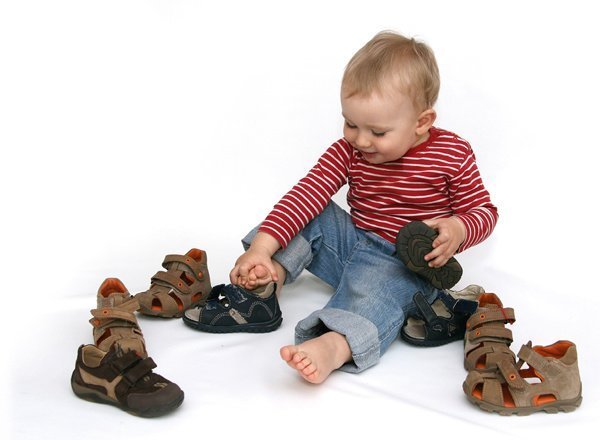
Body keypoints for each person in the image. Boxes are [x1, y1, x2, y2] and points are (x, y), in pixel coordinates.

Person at [230, 31, 498, 384]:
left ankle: (335, 344)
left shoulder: (451, 154)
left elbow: (484, 210)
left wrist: (460, 228)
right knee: (315, 211)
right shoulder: (350, 150)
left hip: (407, 266)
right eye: (350, 123)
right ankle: (268, 277)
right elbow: (307, 192)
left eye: (378, 131)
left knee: (378, 295)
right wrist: (264, 247)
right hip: (355, 244)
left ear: (422, 122)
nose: (360, 139)